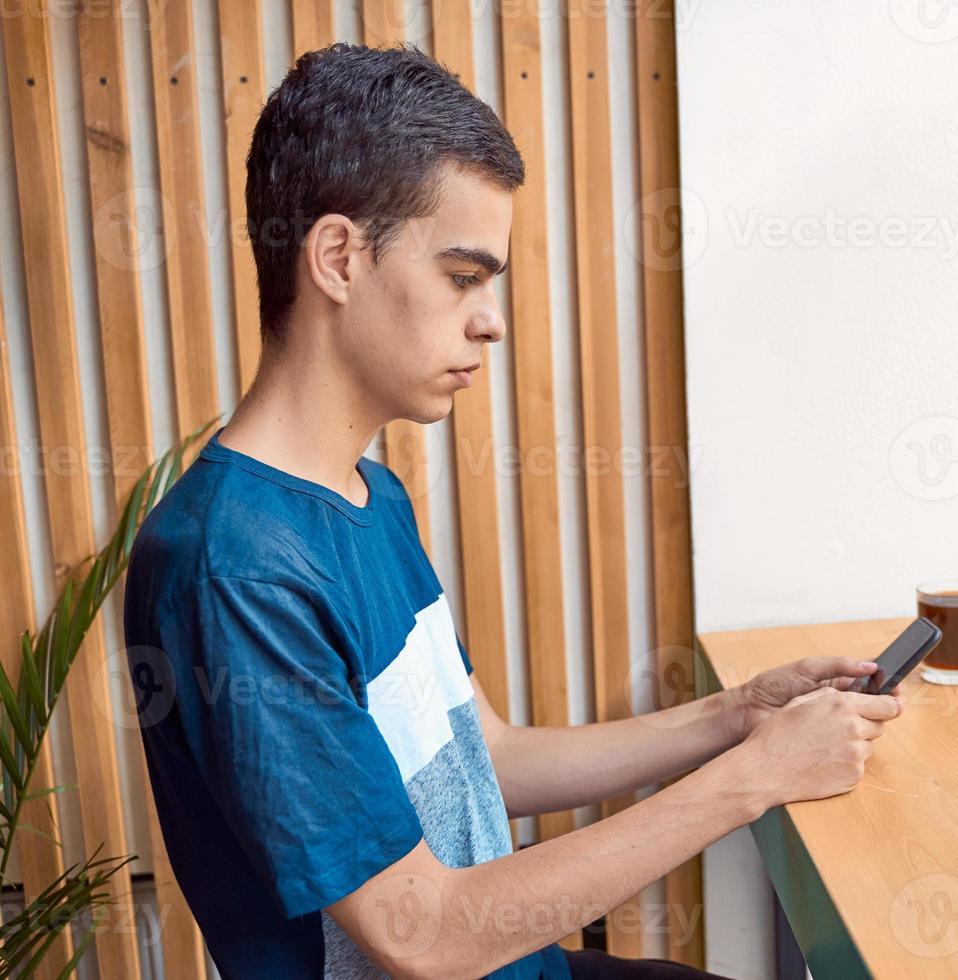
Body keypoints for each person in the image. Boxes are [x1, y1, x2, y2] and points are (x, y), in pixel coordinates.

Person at [122, 42, 903, 980]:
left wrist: (738, 716)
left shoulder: (371, 495)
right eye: (463, 277)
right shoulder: (234, 567)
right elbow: (420, 932)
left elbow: (486, 755)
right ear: (337, 256)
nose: (491, 318)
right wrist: (756, 777)